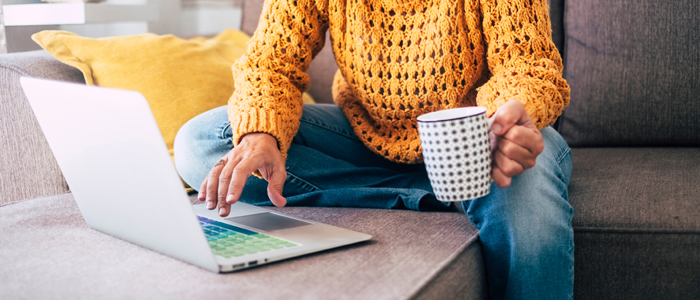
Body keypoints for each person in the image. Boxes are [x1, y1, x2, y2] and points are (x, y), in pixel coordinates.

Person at [174, 0, 573, 299]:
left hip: (478, 141)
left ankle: (458, 189)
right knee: (203, 141)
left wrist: (507, 123)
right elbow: (270, 63)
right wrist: (261, 135)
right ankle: (437, 195)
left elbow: (528, 66)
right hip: (365, 138)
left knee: (527, 186)